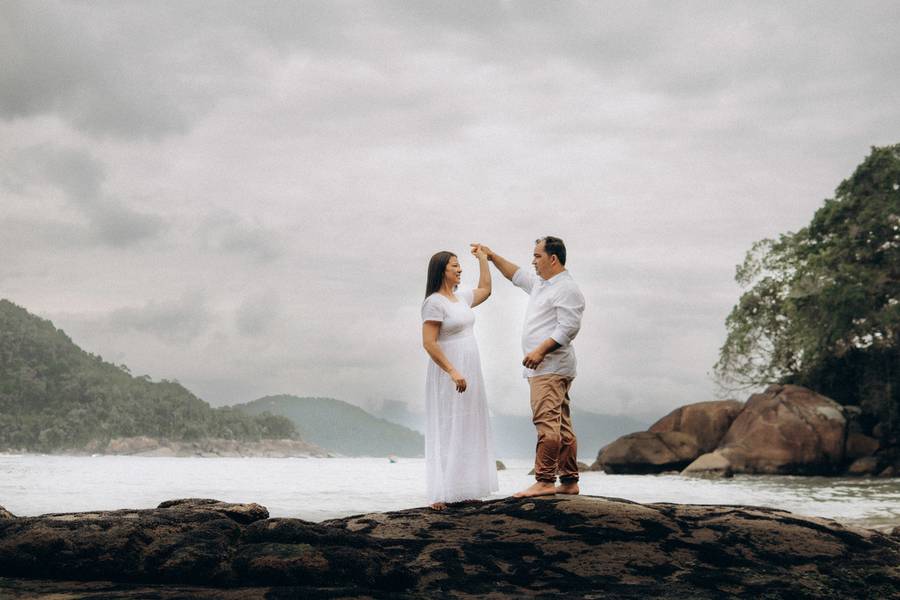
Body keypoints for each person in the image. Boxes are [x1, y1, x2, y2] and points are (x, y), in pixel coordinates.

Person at [474, 237, 585, 498]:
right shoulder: (542, 284)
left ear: (552, 259)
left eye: (537, 256)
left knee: (546, 423)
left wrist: (539, 351)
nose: (533, 261)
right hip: (549, 367)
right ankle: (569, 480)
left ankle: (545, 480)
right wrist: (491, 256)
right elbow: (516, 274)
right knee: (562, 426)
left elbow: (568, 328)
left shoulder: (567, 288)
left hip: (550, 366)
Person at [421, 247, 499, 510]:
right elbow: (429, 343)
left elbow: (486, 289)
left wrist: (483, 260)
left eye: (460, 265)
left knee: (468, 424)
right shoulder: (434, 303)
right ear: (442, 270)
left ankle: (465, 489)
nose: (459, 269)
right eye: (455, 266)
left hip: (471, 366)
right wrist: (452, 371)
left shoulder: (460, 298)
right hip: (448, 370)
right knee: (447, 425)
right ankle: (441, 492)